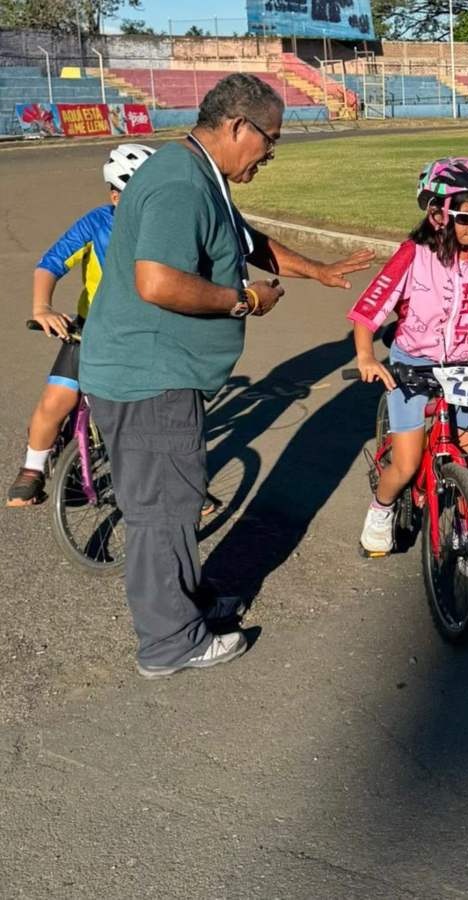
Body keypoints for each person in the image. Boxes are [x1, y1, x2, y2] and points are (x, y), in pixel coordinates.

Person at [78, 74, 374, 678]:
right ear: (239, 126)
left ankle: (185, 603)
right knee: (163, 509)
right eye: (271, 139)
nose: (270, 154)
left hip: (155, 373)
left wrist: (315, 270)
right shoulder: (179, 183)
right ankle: (169, 642)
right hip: (149, 375)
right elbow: (156, 282)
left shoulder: (198, 173)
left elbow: (245, 238)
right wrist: (244, 302)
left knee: (174, 500)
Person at [348, 157, 468, 556]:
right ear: (437, 213)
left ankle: (466, 530)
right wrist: (366, 356)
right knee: (407, 463)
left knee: (467, 457)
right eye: (465, 218)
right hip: (411, 365)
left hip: (462, 368)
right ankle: (380, 510)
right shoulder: (412, 255)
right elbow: (370, 308)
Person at [8, 144, 154, 506]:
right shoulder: (98, 222)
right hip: (92, 329)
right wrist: (43, 308)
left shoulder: (166, 227)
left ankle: (180, 478)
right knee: (56, 400)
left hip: (146, 334)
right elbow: (51, 263)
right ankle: (33, 468)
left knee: (159, 414)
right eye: (135, 195)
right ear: (115, 196)